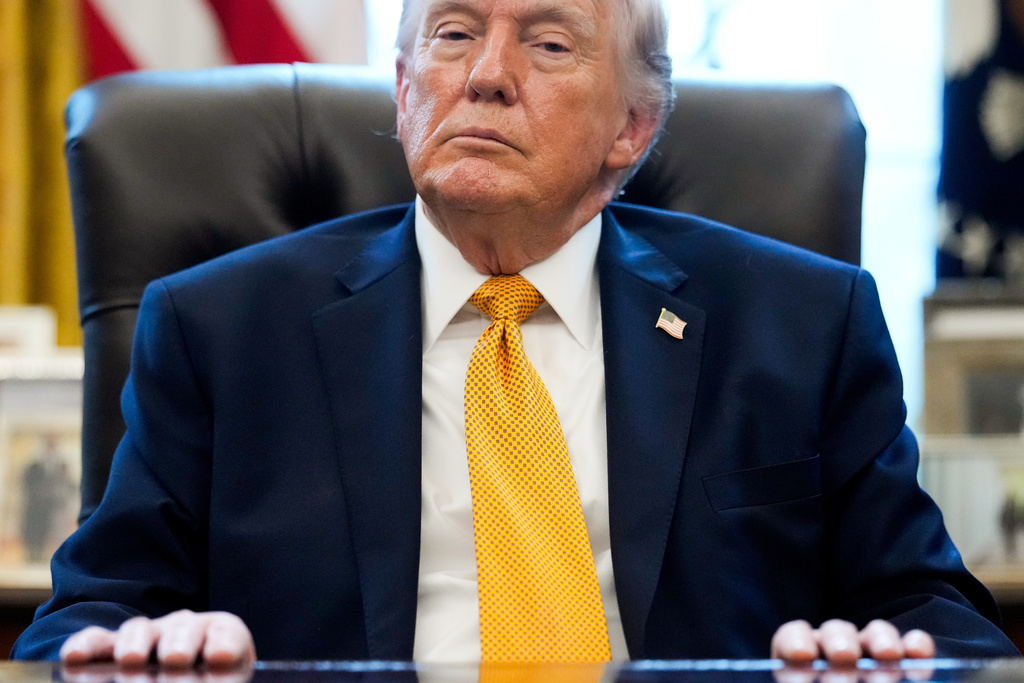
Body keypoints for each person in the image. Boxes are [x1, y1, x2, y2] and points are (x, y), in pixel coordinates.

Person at [12, 0, 1020, 667]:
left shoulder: (801, 323)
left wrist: (889, 655)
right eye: (453, 34)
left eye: (548, 43)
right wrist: (147, 647)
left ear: (632, 127)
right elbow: (80, 622)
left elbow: (941, 619)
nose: (487, 74)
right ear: (404, 88)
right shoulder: (219, 329)